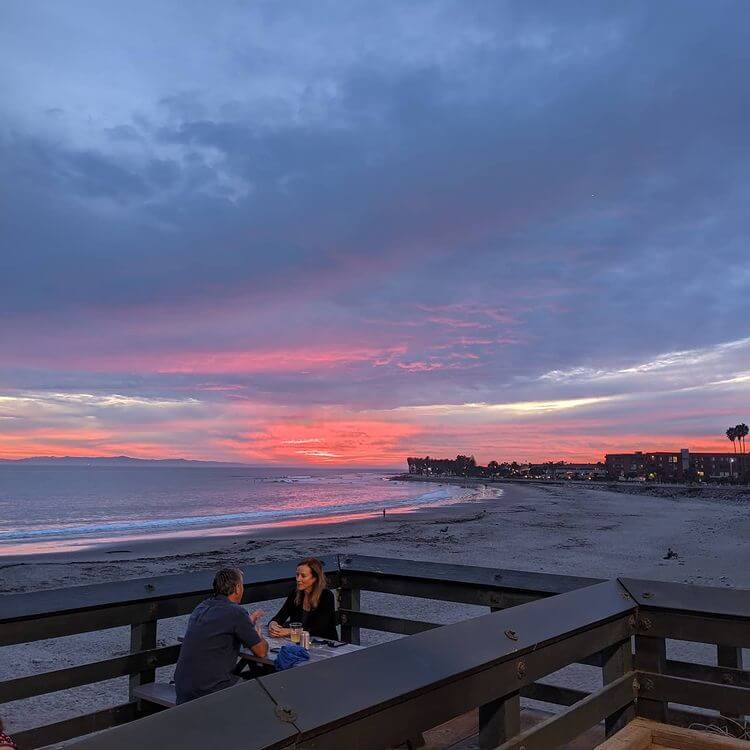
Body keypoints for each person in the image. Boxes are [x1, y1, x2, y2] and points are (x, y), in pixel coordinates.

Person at [174, 567, 268, 704]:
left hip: (182, 688)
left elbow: (220, 630)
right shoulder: (236, 612)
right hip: (209, 690)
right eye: (242, 586)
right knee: (261, 690)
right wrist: (259, 636)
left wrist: (246, 625)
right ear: (237, 588)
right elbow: (261, 651)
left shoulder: (201, 607)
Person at [268, 557, 338, 641]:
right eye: (297, 575)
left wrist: (290, 631)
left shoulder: (326, 596)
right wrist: (273, 625)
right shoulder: (295, 593)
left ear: (314, 578)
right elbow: (280, 617)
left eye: (303, 576)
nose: (298, 579)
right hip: (299, 643)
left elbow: (318, 629)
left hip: (324, 644)